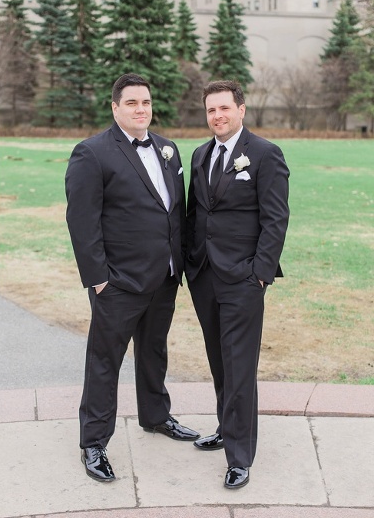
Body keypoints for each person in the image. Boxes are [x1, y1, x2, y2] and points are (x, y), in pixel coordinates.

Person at [65, 73, 199, 483]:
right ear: (115, 108)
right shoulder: (92, 153)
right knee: (105, 361)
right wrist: (99, 279)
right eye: (132, 103)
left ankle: (156, 416)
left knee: (154, 350)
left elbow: (175, 212)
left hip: (164, 276)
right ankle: (94, 443)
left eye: (146, 102)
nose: (141, 109)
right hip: (118, 282)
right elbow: (81, 220)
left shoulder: (168, 149)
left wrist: (179, 265)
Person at [185, 80, 289, 489]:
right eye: (211, 110)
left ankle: (240, 457)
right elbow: (196, 214)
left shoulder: (265, 154)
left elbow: (276, 218)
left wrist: (260, 273)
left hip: (244, 278)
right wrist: (192, 265)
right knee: (218, 360)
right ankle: (226, 427)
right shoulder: (200, 155)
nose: (217, 116)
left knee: (240, 365)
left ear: (241, 110)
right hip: (205, 276)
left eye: (224, 108)